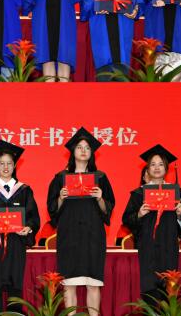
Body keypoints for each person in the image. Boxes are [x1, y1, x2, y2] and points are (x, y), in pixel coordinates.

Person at [47, 128, 114, 316]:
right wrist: (61, 198)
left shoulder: (100, 177)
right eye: (79, 147)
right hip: (69, 236)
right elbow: (52, 209)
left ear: (92, 152)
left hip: (93, 236)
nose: (83, 151)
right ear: (73, 151)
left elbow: (108, 208)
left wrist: (100, 198)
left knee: (93, 284)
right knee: (69, 284)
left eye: (87, 148)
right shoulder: (60, 178)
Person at [0, 140, 39, 316]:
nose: (5, 167)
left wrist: (28, 228)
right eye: (2, 163)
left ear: (15, 165)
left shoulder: (24, 190)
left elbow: (33, 216)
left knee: (15, 286)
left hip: (16, 243)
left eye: (9, 163)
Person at [121, 144, 181, 302]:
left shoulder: (176, 192)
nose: (157, 168)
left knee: (169, 290)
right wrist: (139, 214)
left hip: (169, 247)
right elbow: (126, 220)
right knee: (149, 290)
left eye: (161, 164)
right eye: (153, 164)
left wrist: (180, 215)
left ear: (166, 168)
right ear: (147, 169)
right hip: (147, 247)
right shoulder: (138, 194)